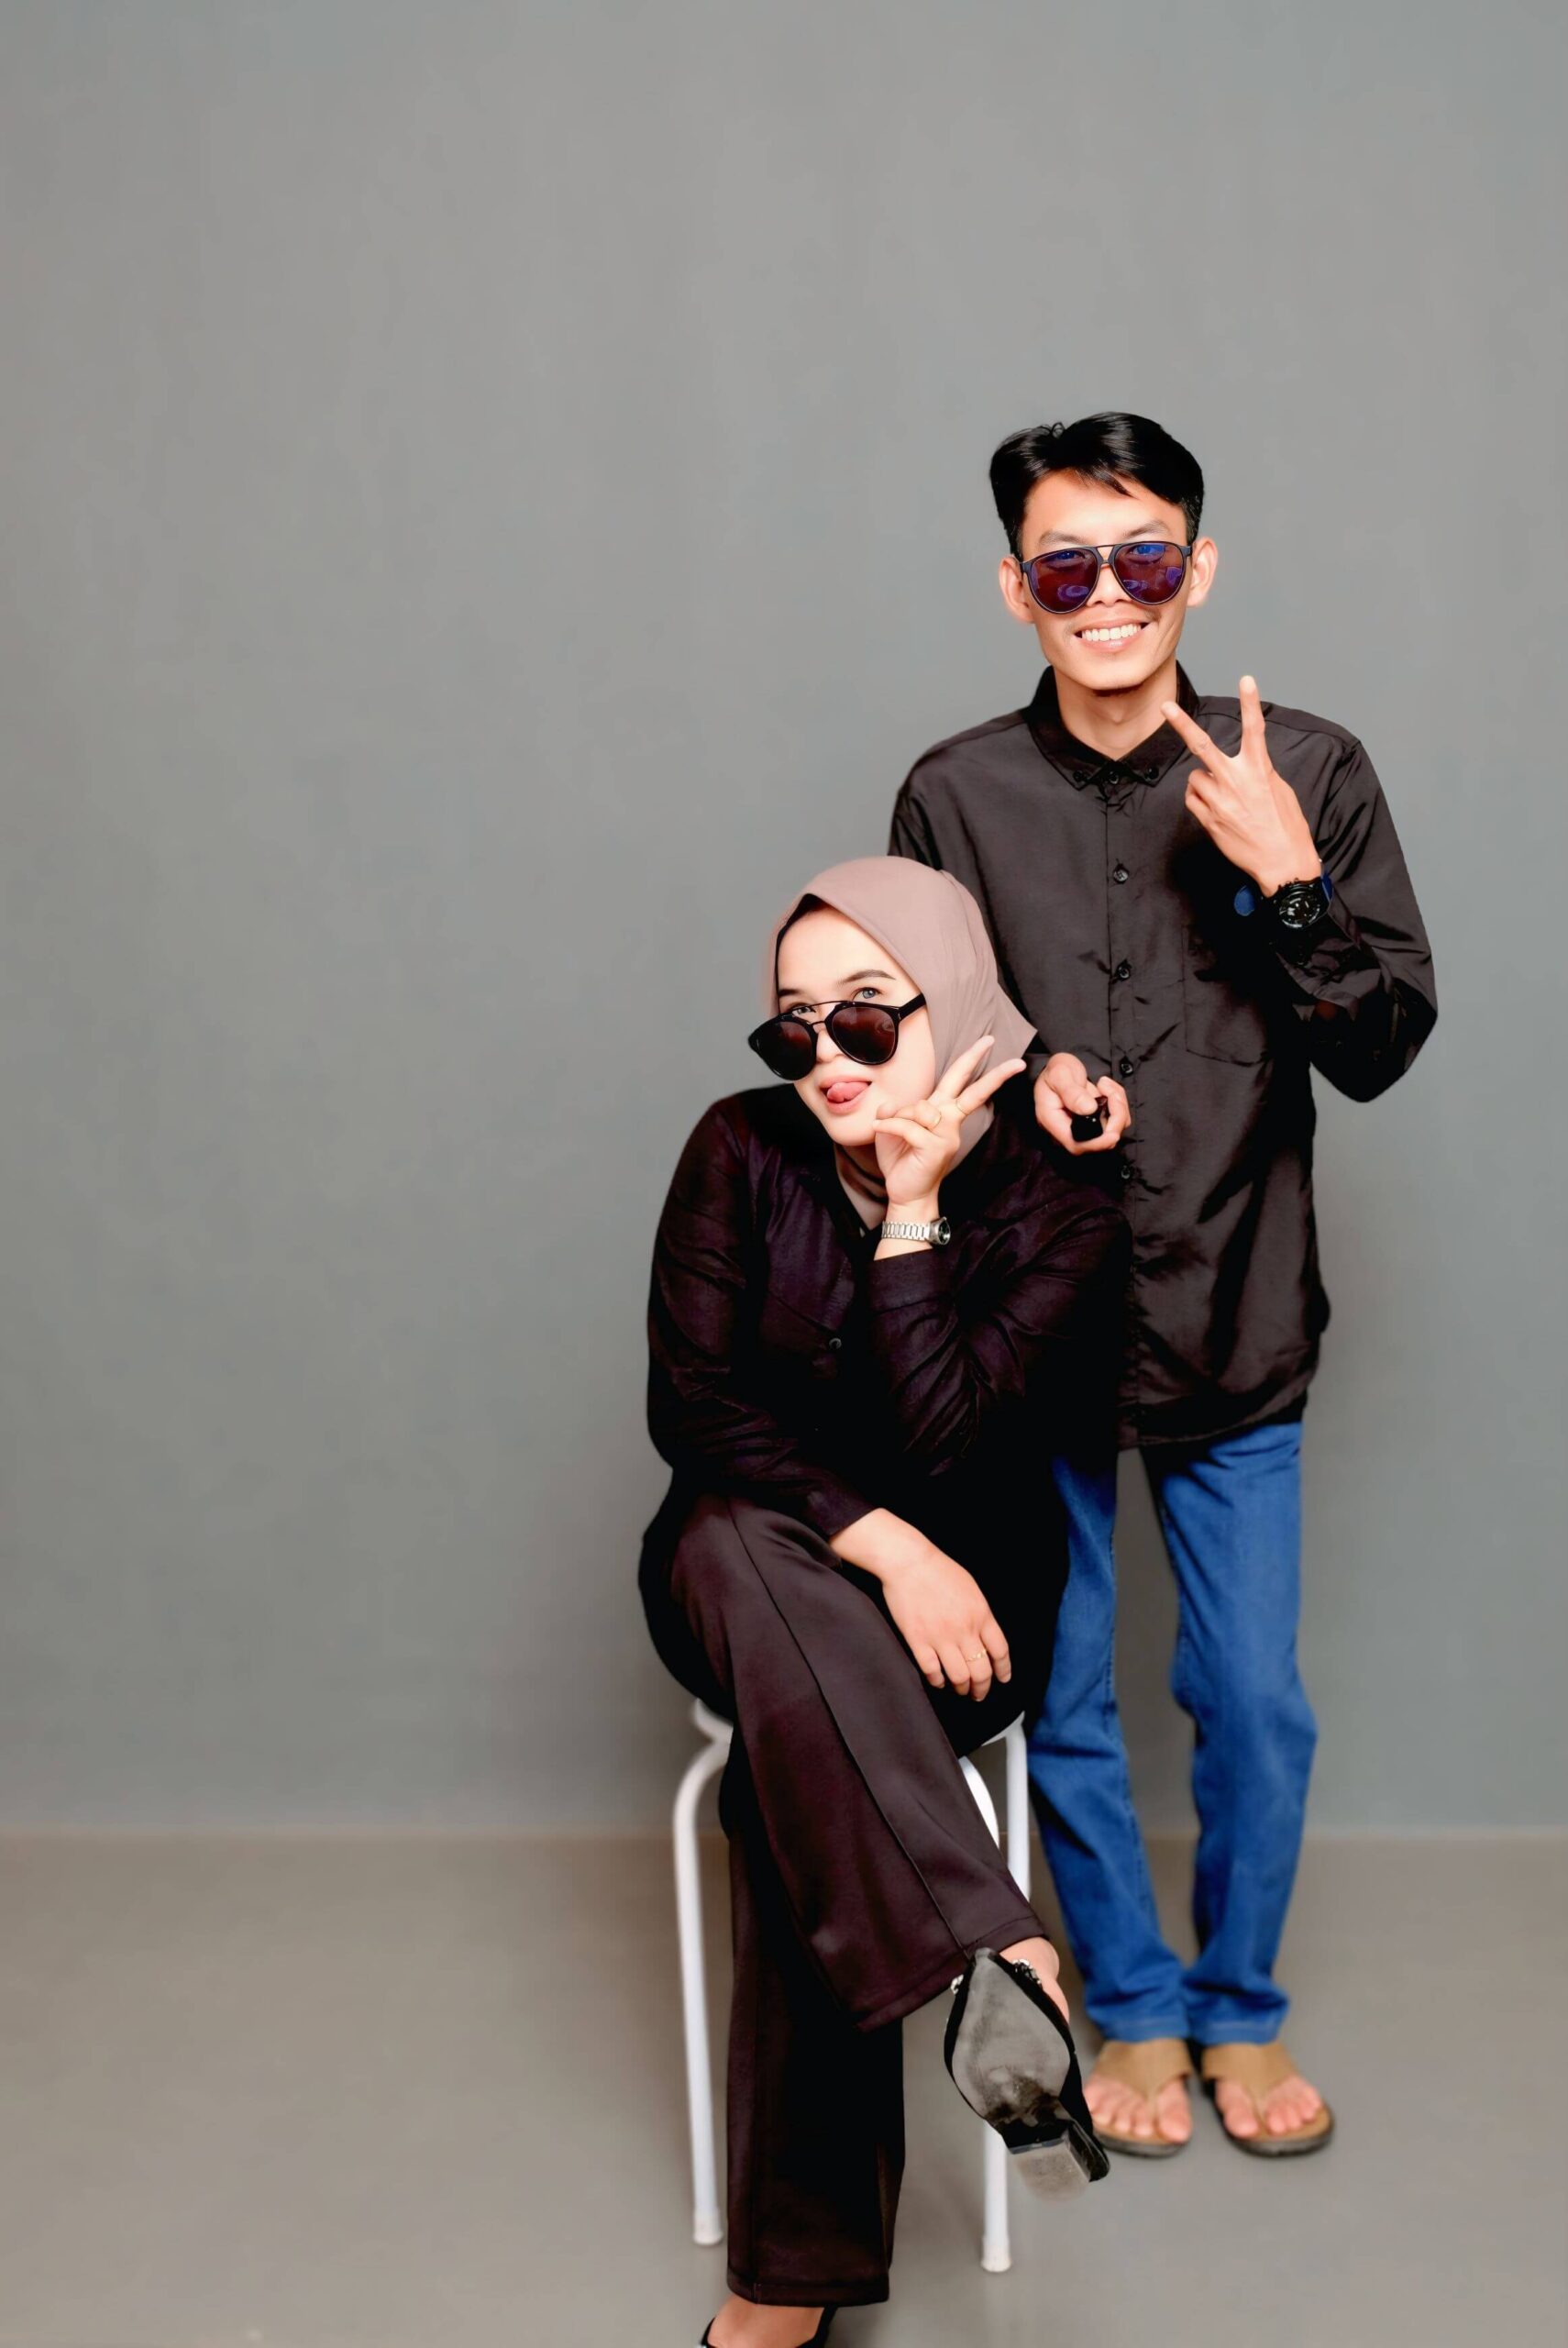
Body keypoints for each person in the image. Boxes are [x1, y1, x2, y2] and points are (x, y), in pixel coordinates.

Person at [888, 411, 1437, 2159]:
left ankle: (1238, 2005)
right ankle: (1127, 2001)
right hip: (1030, 1323)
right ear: (1016, 589)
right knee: (1062, 1698)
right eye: (1068, 566)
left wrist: (1290, 880)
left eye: (1142, 557)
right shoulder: (950, 794)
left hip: (1237, 1313)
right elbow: (911, 1051)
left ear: (1195, 568)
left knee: (1250, 1702)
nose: (1109, 595)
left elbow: (1381, 1046)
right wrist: (1019, 1076)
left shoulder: (1313, 771)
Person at [637, 855, 1130, 2346]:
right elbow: (694, 1407)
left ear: (958, 1004)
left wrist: (911, 1222)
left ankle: (778, 2299)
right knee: (736, 1538)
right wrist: (883, 1549)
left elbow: (952, 1454)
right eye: (792, 1024)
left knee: (796, 1786)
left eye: (864, 1013)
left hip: (964, 1623)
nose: (824, 1056)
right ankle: (996, 1939)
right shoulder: (739, 1149)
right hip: (751, 1582)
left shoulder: (1060, 1206)